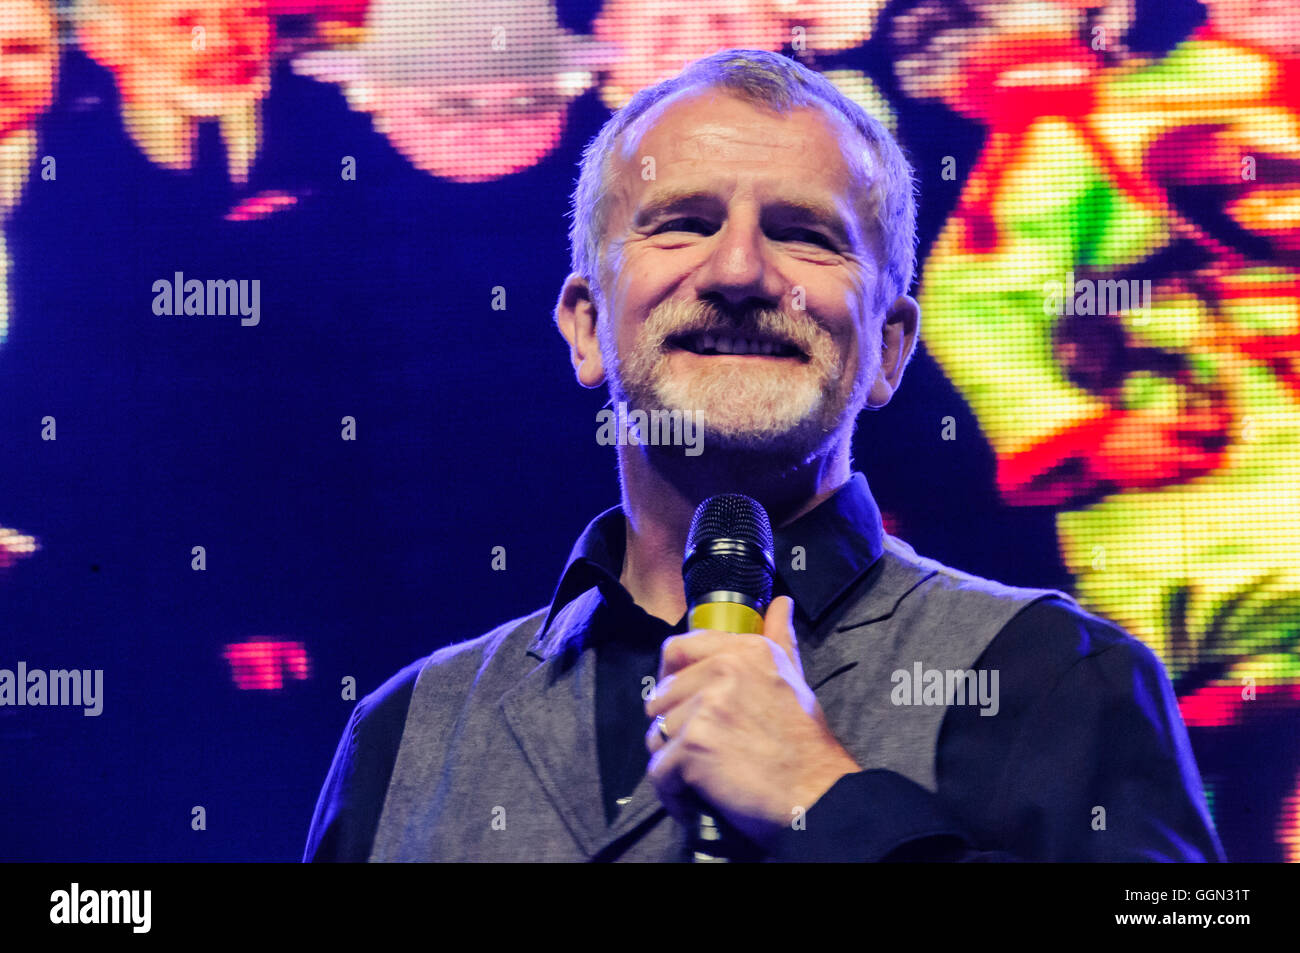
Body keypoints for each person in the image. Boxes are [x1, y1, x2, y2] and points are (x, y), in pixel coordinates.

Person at [304, 48, 1225, 862]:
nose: (740, 272)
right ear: (586, 330)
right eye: (682, 223)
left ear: (890, 348)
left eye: (804, 234)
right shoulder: (403, 734)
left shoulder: (1065, 676)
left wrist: (822, 801)